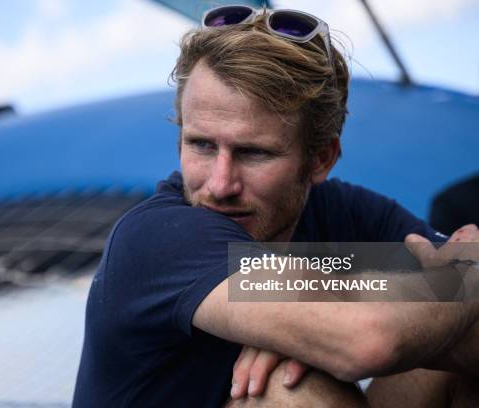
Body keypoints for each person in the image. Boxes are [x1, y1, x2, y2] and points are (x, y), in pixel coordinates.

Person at [72, 6, 478, 407]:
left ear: (320, 159)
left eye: (253, 153)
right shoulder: (160, 239)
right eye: (201, 144)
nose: (220, 184)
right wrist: (463, 277)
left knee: (442, 364)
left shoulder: (348, 215)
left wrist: (331, 320)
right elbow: (367, 342)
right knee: (290, 393)